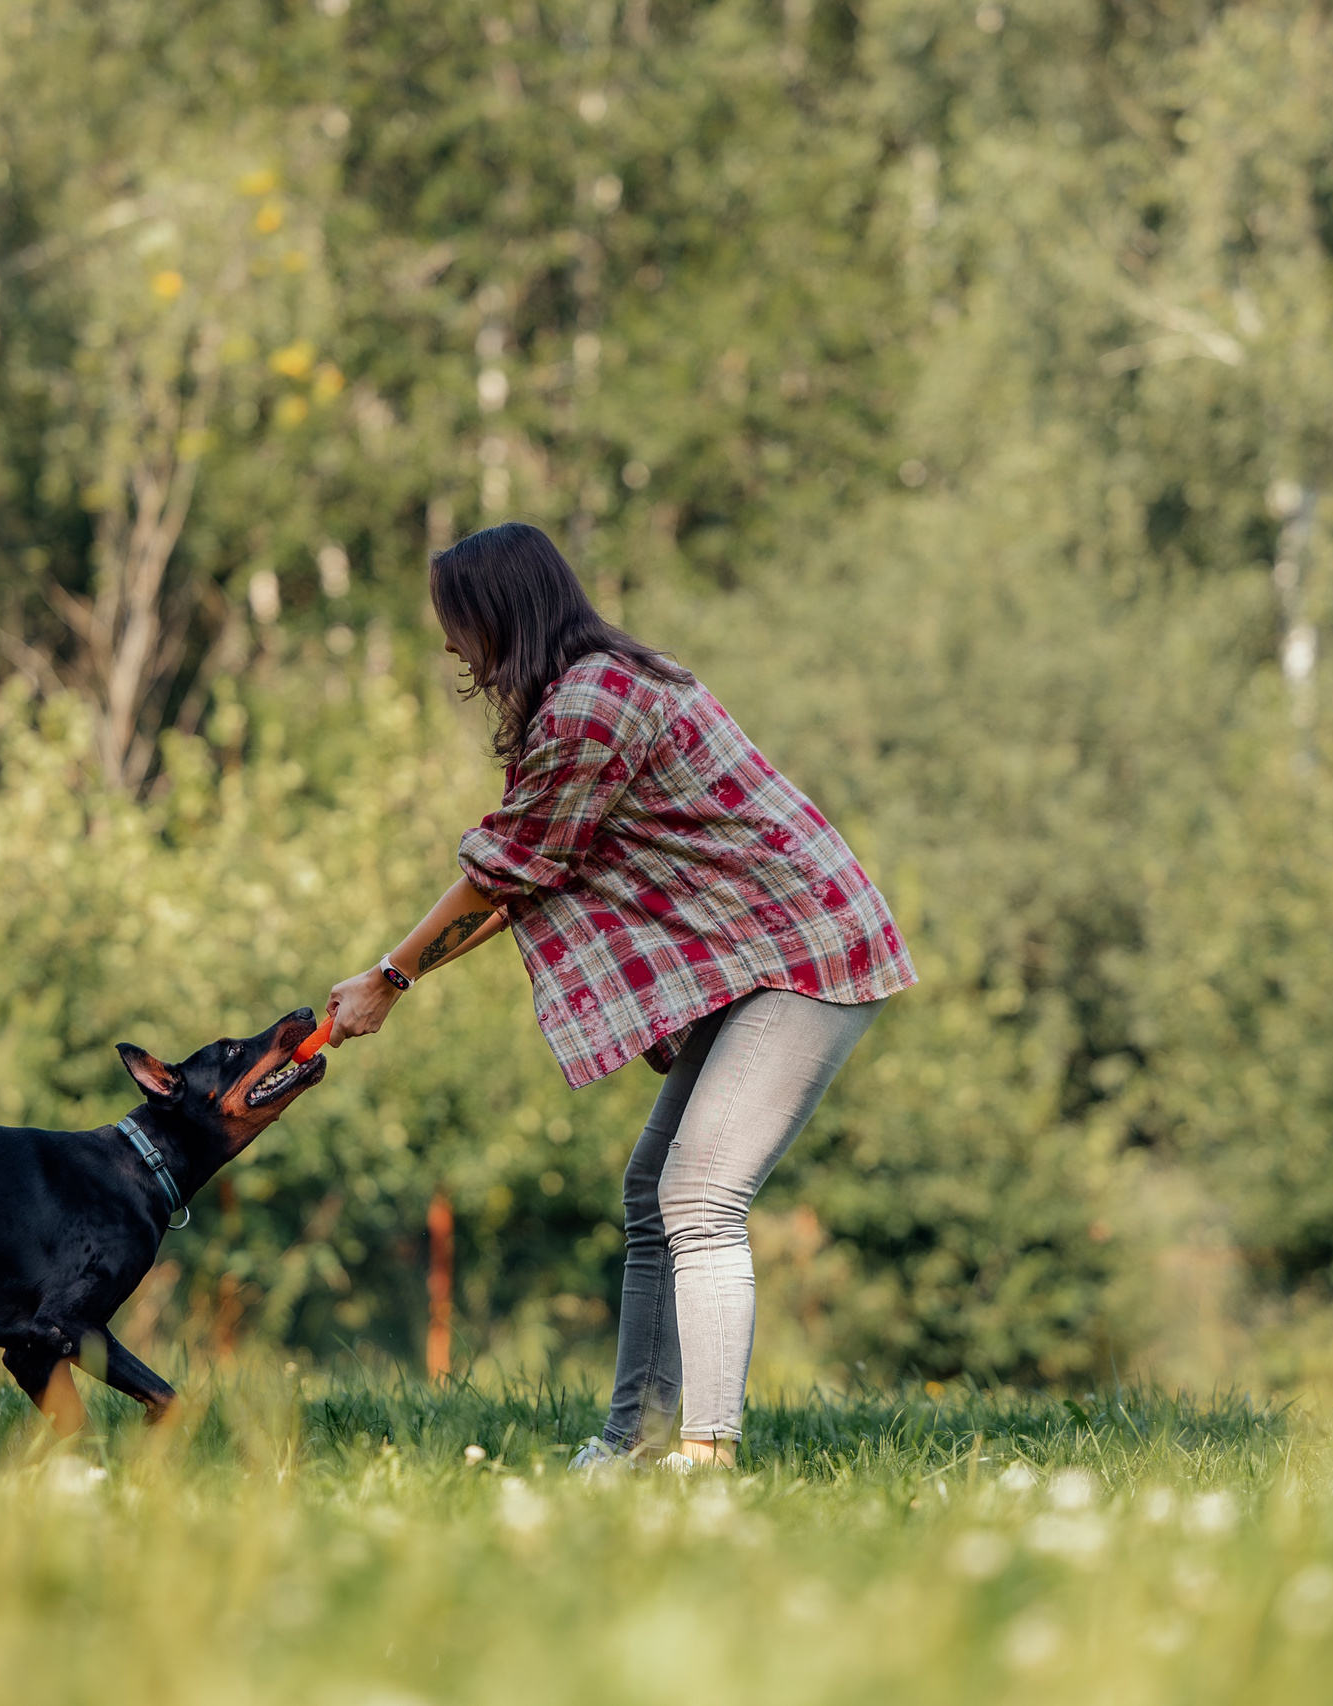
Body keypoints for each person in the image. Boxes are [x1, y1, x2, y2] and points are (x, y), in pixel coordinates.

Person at [323, 521, 914, 1469]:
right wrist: (396, 978)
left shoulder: (592, 707)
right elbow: (532, 875)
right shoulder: (592, 690)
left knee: (702, 1192)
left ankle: (706, 1456)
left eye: (455, 618)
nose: (448, 642)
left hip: (810, 949)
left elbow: (505, 870)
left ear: (499, 611)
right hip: (759, 952)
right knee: (653, 1190)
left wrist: (390, 979)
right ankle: (635, 1445)